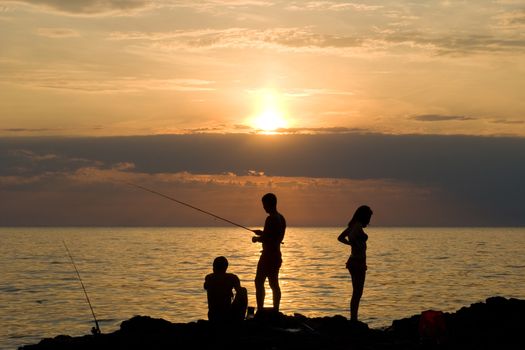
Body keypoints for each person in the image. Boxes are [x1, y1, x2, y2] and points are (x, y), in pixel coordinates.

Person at [337, 205, 373, 323]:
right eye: (368, 217)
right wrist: (354, 243)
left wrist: (351, 244)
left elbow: (340, 237)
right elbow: (347, 237)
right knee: (358, 292)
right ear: (364, 216)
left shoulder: (353, 226)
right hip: (358, 262)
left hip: (354, 261)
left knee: (356, 292)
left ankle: (354, 318)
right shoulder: (357, 227)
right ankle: (354, 319)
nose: (369, 220)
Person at [252, 193, 286, 312]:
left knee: (259, 281)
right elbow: (274, 235)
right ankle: (276, 309)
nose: (263, 207)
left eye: (264, 204)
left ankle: (260, 309)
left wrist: (257, 239)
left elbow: (267, 238)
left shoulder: (270, 218)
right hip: (277, 254)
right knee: (274, 283)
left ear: (269, 204)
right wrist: (262, 233)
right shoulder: (281, 218)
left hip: (268, 255)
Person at [204, 256, 247, 322]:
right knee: (243, 290)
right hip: (227, 314)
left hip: (213, 316)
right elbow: (240, 292)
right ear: (226, 267)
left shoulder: (209, 277)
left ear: (214, 267)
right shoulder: (232, 277)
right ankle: (240, 318)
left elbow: (205, 286)